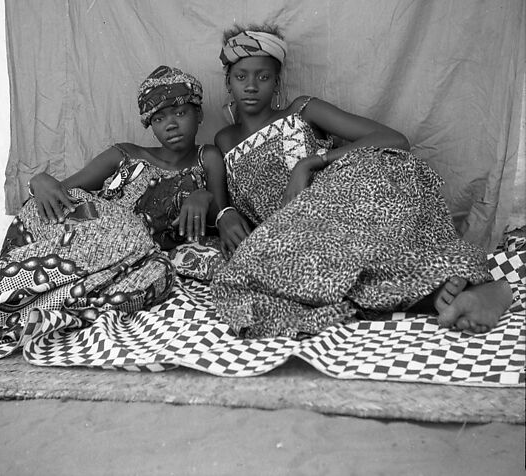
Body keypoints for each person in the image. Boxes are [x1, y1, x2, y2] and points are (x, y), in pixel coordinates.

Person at [210, 24, 513, 338]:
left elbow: (392, 139)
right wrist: (224, 213)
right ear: (228, 82)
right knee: (248, 271)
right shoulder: (223, 141)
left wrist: (309, 163)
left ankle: (477, 288)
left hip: (343, 207)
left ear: (276, 83)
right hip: (297, 235)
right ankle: (445, 294)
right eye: (241, 76)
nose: (251, 86)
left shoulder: (301, 110)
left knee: (363, 200)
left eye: (263, 76)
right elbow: (223, 199)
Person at [0, 65, 228, 358]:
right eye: (159, 117)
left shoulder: (208, 158)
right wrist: (39, 181)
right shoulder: (125, 154)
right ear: (150, 124)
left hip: (131, 258)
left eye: (180, 112)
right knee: (121, 233)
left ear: (198, 114)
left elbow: (221, 214)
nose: (171, 124)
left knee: (155, 277)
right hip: (85, 229)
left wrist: (203, 197)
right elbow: (64, 190)